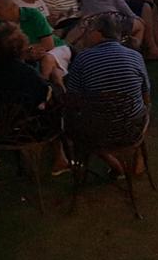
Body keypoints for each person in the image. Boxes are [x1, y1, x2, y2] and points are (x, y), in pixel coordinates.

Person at [64, 13, 152, 177]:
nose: (86, 35)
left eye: (89, 31)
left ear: (98, 33)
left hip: (98, 132)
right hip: (132, 128)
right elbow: (146, 94)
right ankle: (137, 157)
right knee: (143, 109)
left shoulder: (82, 59)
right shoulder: (135, 56)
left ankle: (115, 164)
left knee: (74, 123)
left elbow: (72, 100)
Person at [0, 23, 70, 175]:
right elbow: (45, 95)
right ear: (21, 49)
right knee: (54, 104)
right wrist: (57, 81)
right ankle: (60, 157)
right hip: (28, 132)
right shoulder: (27, 75)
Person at [0, 0, 72, 83]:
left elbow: (49, 45)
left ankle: (44, 86)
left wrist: (26, 51)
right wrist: (28, 52)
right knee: (53, 72)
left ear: (13, 6)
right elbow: (1, 49)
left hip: (55, 48)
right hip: (28, 54)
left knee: (47, 61)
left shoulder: (33, 15)